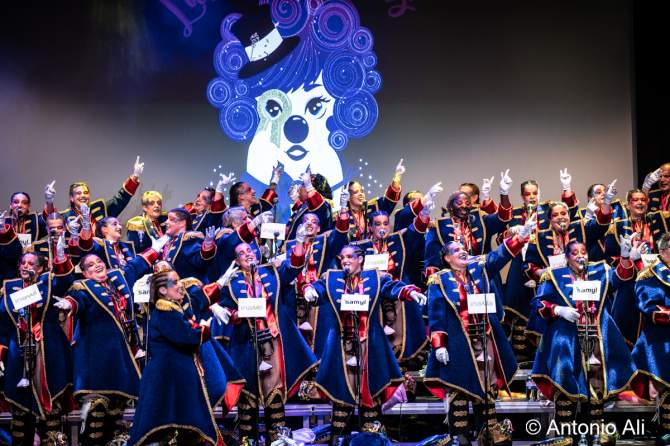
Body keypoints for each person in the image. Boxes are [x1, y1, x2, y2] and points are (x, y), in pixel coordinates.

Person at [423, 216, 535, 446]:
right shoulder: (439, 280)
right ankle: (460, 437)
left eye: (463, 248)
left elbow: (499, 255)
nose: (463, 251)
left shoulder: (479, 268)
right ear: (447, 258)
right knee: (459, 389)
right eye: (456, 250)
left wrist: (521, 236)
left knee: (487, 387)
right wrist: (439, 345)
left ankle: (488, 433)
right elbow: (436, 316)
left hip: (485, 339)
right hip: (457, 343)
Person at [302, 245, 427, 441]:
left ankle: (371, 439)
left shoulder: (376, 277)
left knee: (371, 397)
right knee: (341, 400)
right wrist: (309, 290)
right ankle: (339, 439)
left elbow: (393, 287)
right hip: (340, 347)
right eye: (342, 257)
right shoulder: (331, 277)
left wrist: (410, 292)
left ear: (360, 259)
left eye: (350, 257)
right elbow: (316, 287)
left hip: (371, 345)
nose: (345, 261)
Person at [54, 236, 168, 445]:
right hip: (95, 362)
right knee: (94, 418)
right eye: (90, 265)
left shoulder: (118, 277)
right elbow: (77, 301)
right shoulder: (83, 287)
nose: (97, 265)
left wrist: (160, 244)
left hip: (120, 360)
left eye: (99, 261)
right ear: (84, 272)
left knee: (116, 417)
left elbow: (136, 264)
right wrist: (69, 305)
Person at [530, 240, 640, 446]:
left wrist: (625, 258)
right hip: (566, 340)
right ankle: (564, 433)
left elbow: (620, 278)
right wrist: (558, 310)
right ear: (566, 257)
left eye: (583, 252)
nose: (580, 256)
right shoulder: (554, 275)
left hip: (597, 336)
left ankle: (595, 432)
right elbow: (538, 303)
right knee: (566, 383)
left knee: (596, 384)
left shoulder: (599, 271)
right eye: (575, 253)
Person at [128, 262, 243, 446]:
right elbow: (187, 335)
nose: (180, 284)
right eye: (174, 282)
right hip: (167, 375)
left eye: (178, 279)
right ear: (162, 290)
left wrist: (219, 284)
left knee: (186, 419)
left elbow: (198, 300)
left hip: (176, 372)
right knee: (161, 424)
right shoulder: (165, 310)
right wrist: (204, 329)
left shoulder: (174, 306)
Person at [217, 241, 316, 443]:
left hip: (273, 341)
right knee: (248, 395)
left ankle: (277, 439)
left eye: (249, 250)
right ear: (237, 261)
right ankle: (247, 440)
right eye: (241, 253)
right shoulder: (231, 281)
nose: (248, 254)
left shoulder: (271, 272)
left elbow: (295, 267)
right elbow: (226, 308)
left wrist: (299, 242)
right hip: (246, 344)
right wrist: (233, 314)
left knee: (274, 392)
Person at [0, 239, 74, 446]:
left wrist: (60, 256)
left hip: (49, 350)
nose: (25, 266)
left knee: (52, 406)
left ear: (41, 268)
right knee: (21, 408)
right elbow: (3, 325)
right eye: (23, 263)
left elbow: (66, 280)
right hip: (19, 352)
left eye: (31, 263)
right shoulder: (9, 288)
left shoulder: (49, 283)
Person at [351, 199, 432, 363]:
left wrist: (424, 212)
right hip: (371, 293)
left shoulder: (398, 239)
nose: (382, 227)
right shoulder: (360, 246)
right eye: (377, 224)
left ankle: (400, 358)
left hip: (397, 290)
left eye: (385, 224)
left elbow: (415, 230)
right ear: (370, 227)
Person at [284, 203, 349, 349]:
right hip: (296, 296)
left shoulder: (325, 242)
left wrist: (343, 209)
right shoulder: (290, 245)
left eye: (314, 222)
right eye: (306, 221)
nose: (309, 224)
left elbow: (340, 235)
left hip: (319, 296)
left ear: (319, 228)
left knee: (320, 338)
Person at [424, 170, 514, 276]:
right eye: (459, 202)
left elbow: (503, 218)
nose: (464, 205)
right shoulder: (439, 226)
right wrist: (435, 280)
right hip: (453, 278)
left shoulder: (481, 220)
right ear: (451, 206)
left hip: (483, 275)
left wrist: (504, 193)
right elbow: (432, 260)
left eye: (467, 203)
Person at [630, 233, 670, 445]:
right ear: (662, 252)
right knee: (666, 388)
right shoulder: (649, 275)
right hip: (660, 341)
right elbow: (648, 306)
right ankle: (666, 430)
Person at [48, 156, 144, 234]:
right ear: (71, 198)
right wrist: (49, 201)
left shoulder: (99, 209)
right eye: (78, 193)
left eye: (86, 193)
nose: (83, 196)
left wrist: (135, 176)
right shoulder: (64, 217)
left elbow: (120, 199)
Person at [343, 160, 405, 241]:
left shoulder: (374, 207)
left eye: (362, 191)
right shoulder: (342, 216)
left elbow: (389, 201)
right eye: (356, 192)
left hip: (375, 248)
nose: (361, 194)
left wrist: (397, 177)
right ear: (347, 197)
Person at [158, 208, 217, 282]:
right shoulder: (168, 243)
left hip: (189, 288)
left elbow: (200, 261)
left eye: (171, 219)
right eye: (167, 219)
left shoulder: (190, 239)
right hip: (171, 286)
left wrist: (208, 246)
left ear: (182, 223)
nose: (166, 222)